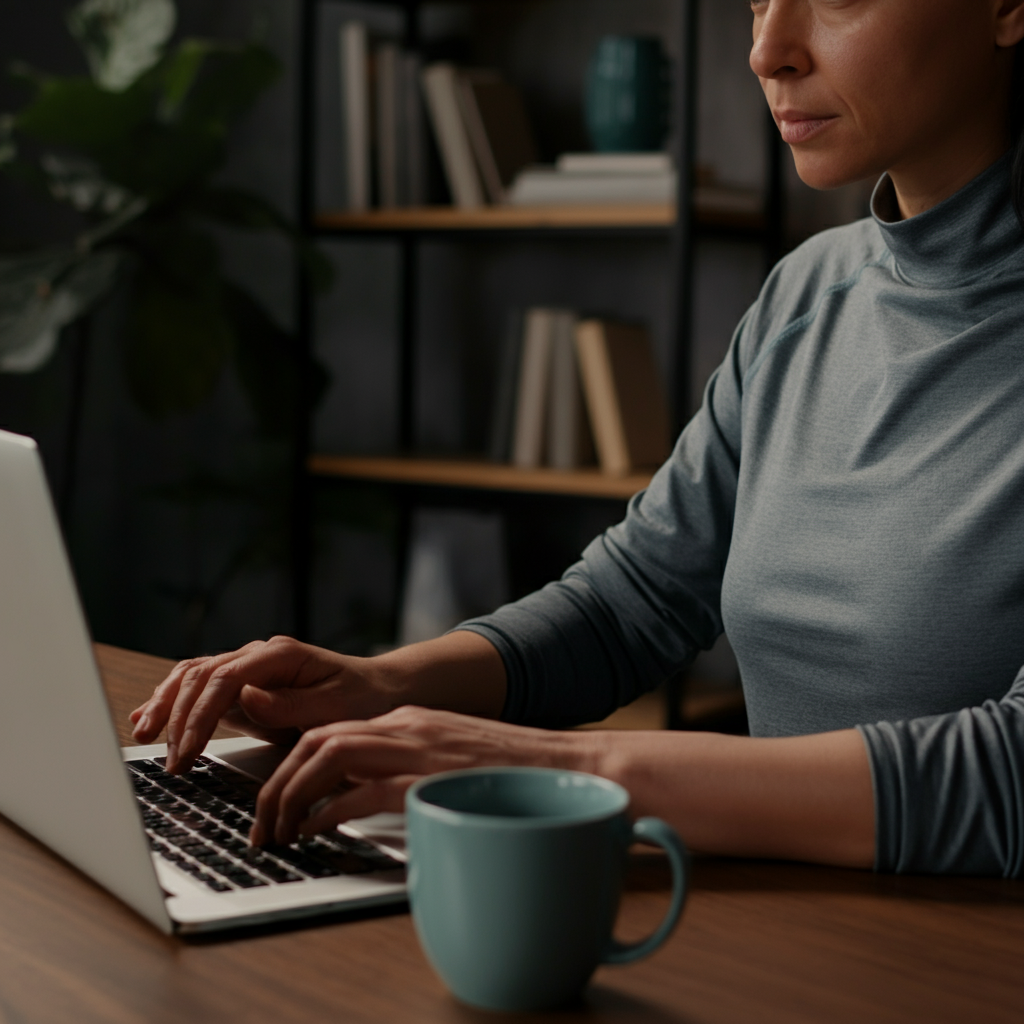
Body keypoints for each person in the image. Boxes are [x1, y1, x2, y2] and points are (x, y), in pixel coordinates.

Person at [132, 0, 1024, 877]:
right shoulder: (807, 294)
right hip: (795, 938)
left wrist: (567, 771)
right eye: (756, 1)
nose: (767, 51)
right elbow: (630, 603)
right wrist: (381, 685)